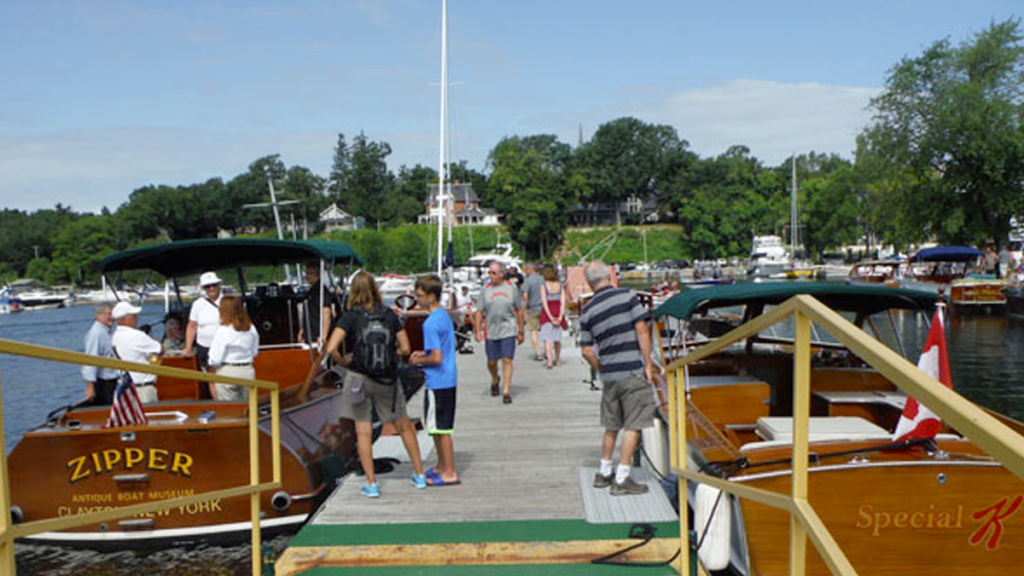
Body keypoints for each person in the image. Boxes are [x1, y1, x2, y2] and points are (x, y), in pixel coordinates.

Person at [324, 271, 426, 498]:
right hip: (387, 379)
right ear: (374, 289)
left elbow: (330, 348)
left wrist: (345, 362)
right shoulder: (389, 315)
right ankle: (419, 475)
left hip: (358, 379)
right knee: (404, 426)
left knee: (363, 432)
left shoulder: (350, 317)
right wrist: (393, 354)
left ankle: (372, 484)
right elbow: (406, 349)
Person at [578, 260, 657, 496]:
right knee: (633, 425)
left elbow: (586, 350)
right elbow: (642, 330)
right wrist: (648, 364)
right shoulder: (627, 296)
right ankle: (622, 478)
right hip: (632, 371)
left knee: (611, 426)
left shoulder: (588, 310)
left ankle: (604, 473)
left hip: (610, 376)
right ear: (610, 276)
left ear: (589, 284)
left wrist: (601, 369)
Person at [409, 274, 460, 486]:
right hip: (448, 377)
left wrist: (418, 361)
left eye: (419, 295)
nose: (416, 299)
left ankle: (449, 472)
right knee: (437, 427)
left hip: (438, 381)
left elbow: (436, 357)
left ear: (431, 296)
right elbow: (445, 347)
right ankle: (441, 465)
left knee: (440, 429)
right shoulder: (443, 316)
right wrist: (424, 353)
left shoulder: (429, 323)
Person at [474, 261, 524, 404]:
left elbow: (519, 310)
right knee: (491, 361)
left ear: (502, 274)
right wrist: (477, 330)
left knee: (507, 359)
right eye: (489, 272)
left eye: (493, 273)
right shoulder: (485, 289)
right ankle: (495, 378)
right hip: (491, 329)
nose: (490, 275)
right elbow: (479, 311)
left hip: (508, 328)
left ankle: (506, 391)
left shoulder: (512, 288)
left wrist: (520, 331)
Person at [207, 296, 260, 401]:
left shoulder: (223, 331)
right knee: (248, 408)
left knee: (230, 410)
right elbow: (254, 351)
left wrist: (210, 365)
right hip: (247, 371)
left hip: (227, 372)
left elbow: (215, 359)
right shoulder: (251, 328)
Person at [110, 301, 162, 404]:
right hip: (143, 389)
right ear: (124, 319)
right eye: (133, 316)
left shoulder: (115, 336)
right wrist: (148, 336)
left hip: (125, 389)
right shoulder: (137, 335)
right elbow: (160, 348)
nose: (136, 318)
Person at [183, 271, 223, 369]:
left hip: (224, 346)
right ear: (204, 288)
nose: (212, 288)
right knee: (210, 377)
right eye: (207, 286)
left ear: (219, 285)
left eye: (214, 285)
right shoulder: (197, 304)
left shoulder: (228, 302)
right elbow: (192, 326)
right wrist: (188, 347)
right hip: (204, 347)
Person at [82, 302, 119, 405]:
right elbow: (90, 360)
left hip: (115, 380)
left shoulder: (109, 331)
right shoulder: (96, 333)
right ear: (98, 315)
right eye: (108, 314)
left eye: (112, 314)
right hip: (105, 383)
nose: (112, 317)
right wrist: (90, 387)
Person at [539, 265, 569, 369]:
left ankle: (550, 361)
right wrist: (560, 316)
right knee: (557, 338)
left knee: (548, 338)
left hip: (548, 313)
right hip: (557, 310)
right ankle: (558, 359)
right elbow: (563, 302)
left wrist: (550, 316)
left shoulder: (544, 285)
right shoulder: (560, 285)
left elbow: (544, 302)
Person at [298, 263, 334, 347]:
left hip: (317, 337)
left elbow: (326, 312)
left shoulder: (322, 291)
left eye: (310, 273)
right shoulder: (311, 291)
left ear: (318, 275)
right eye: (306, 273)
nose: (307, 276)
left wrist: (323, 335)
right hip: (310, 336)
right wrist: (303, 330)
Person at [521, 262, 545, 361]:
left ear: (529, 270)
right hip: (543, 308)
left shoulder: (527, 280)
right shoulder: (542, 279)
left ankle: (538, 352)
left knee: (533, 331)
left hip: (532, 308)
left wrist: (524, 308)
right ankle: (547, 351)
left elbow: (525, 296)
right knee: (545, 331)